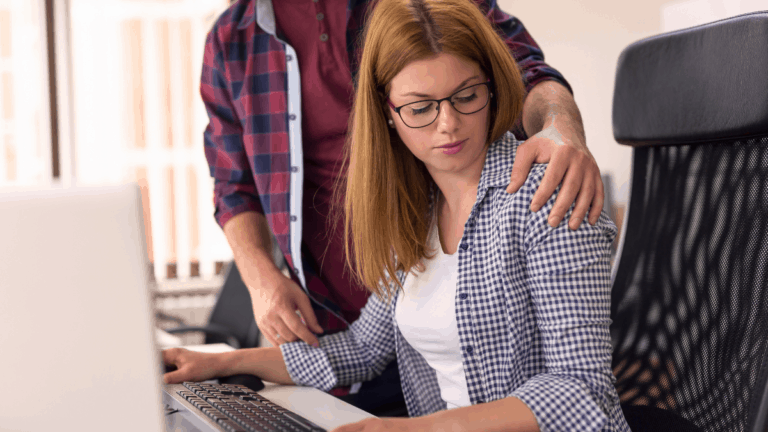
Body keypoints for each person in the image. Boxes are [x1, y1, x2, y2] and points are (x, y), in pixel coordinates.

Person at [170, 0, 630, 430]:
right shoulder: (414, 214)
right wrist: (221, 364)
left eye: (466, 96)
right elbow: (360, 349)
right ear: (388, 114)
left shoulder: (545, 196)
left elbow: (584, 393)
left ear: (493, 86)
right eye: (421, 108)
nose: (447, 124)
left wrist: (407, 429)